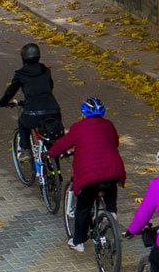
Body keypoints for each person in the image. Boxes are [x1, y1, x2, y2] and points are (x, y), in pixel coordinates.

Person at [49, 98, 126, 252]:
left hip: (89, 177)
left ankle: (78, 241)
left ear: (83, 114)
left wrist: (51, 153)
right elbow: (115, 143)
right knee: (110, 184)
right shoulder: (109, 125)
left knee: (83, 207)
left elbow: (62, 146)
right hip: (113, 171)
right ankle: (111, 212)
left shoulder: (78, 127)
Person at [0, 43, 64, 150]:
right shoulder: (45, 70)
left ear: (23, 58)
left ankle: (25, 150)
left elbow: (11, 91)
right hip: (53, 110)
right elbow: (50, 87)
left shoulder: (21, 74)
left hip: (33, 112)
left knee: (22, 123)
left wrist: (2, 102)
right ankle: (54, 163)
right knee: (50, 136)